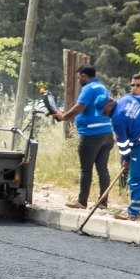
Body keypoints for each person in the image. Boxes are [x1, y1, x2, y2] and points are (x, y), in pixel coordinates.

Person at [52, 65, 114, 210]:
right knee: (102, 168)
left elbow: (80, 106)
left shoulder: (88, 88)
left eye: (79, 77)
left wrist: (64, 116)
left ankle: (82, 201)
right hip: (107, 133)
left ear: (84, 75)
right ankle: (103, 203)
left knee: (86, 169)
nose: (79, 79)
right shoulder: (103, 87)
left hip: (92, 134)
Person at [103, 94, 140, 221]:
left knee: (137, 179)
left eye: (103, 111)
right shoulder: (127, 98)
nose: (103, 114)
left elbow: (123, 144)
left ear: (109, 105)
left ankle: (133, 213)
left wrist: (126, 159)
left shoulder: (116, 119)